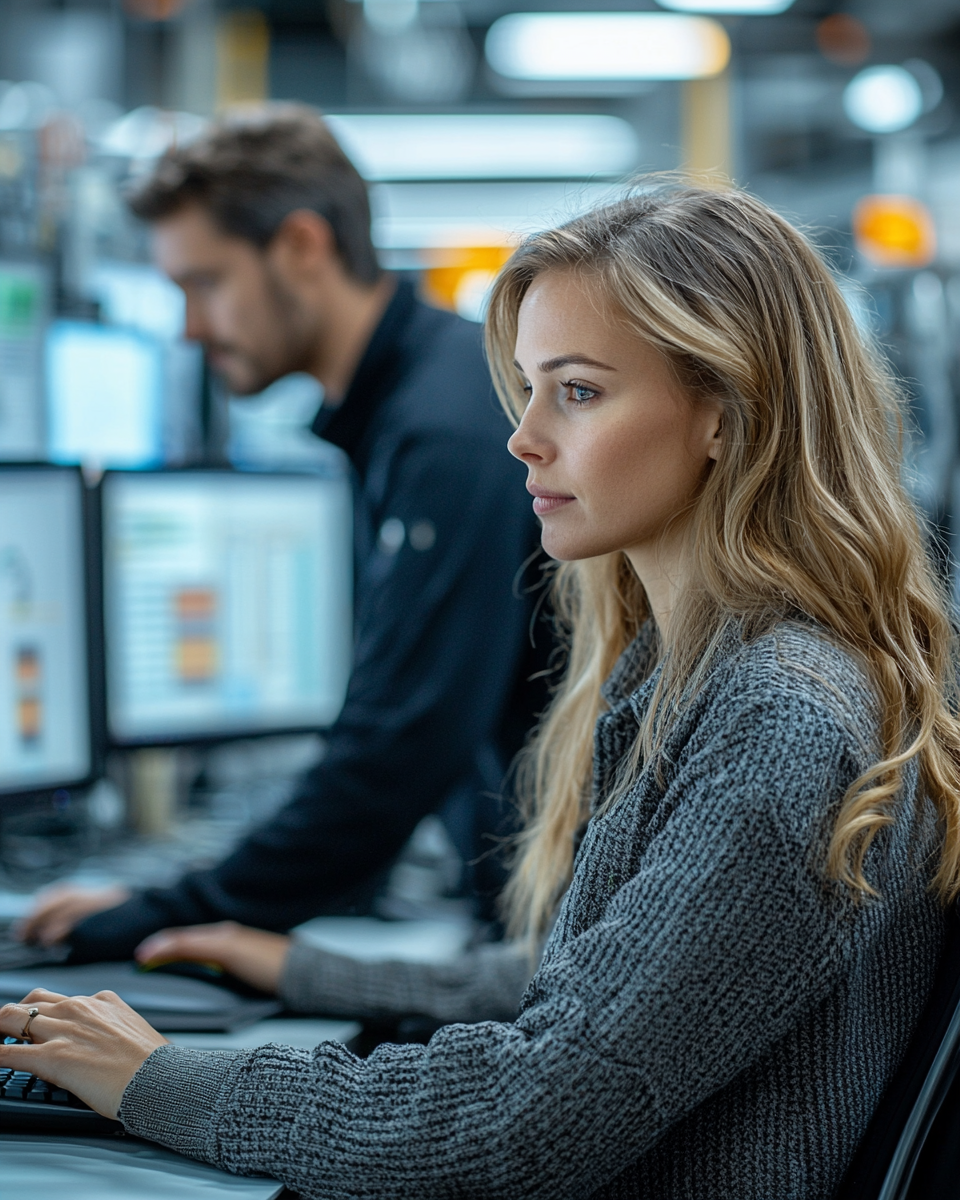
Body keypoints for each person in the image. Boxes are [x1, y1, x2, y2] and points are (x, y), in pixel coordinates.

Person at [4, 182, 958, 1199]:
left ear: (724, 413)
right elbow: (592, 990)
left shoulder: (783, 721)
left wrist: (159, 1080)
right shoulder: (703, 676)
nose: (523, 437)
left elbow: (526, 1121)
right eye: (528, 387)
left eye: (579, 392)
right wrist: (297, 969)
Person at [19, 105, 546, 961]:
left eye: (205, 284)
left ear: (302, 246)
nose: (189, 329)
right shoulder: (413, 404)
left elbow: (402, 744)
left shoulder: (441, 428)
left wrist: (166, 913)